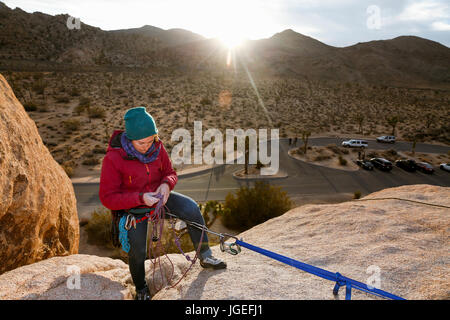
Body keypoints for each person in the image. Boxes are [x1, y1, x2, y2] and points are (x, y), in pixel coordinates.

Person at [99, 106, 226, 300]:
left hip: (158, 199)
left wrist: (167, 185)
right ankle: (141, 288)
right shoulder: (114, 158)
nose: (147, 146)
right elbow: (107, 197)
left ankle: (205, 255)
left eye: (151, 140)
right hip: (134, 209)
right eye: (142, 142)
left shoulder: (158, 148)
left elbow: (170, 172)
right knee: (138, 250)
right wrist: (140, 198)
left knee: (191, 208)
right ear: (130, 138)